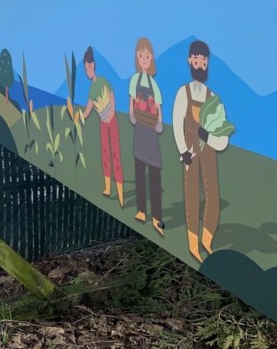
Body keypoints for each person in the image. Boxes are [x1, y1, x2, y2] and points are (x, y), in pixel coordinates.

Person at [172, 39, 230, 262]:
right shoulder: (183, 93)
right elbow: (177, 123)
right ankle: (193, 243)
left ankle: (207, 238)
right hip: (190, 149)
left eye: (204, 60)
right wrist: (184, 150)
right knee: (192, 194)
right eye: (196, 59)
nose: (200, 64)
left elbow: (222, 138)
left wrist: (209, 137)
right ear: (189, 60)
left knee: (212, 194)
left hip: (208, 151)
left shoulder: (213, 98)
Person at [75, 46, 124, 207]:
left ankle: (121, 192)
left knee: (115, 153)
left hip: (112, 120)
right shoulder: (92, 89)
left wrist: (111, 114)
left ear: (94, 65)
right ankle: (108, 188)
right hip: (103, 122)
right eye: (85, 68)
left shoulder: (102, 81)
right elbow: (89, 108)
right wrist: (80, 116)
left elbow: (111, 96)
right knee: (105, 152)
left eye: (89, 66)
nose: (88, 70)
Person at [128, 37, 165, 237]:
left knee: (155, 171)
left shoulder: (153, 83)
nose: (144, 58)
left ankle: (157, 216)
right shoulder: (135, 80)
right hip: (140, 126)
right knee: (139, 169)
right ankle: (142, 210)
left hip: (151, 127)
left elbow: (158, 105)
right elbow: (132, 99)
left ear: (151, 58)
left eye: (147, 55)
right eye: (141, 55)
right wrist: (132, 114)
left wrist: (159, 122)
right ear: (137, 57)